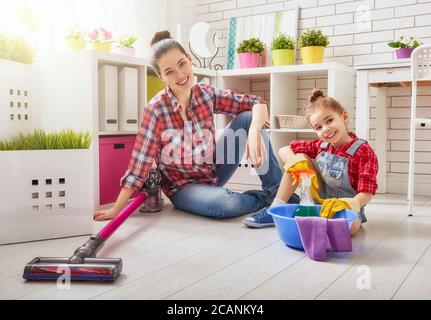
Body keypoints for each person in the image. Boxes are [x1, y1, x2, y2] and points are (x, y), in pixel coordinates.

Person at [94, 30, 298, 221]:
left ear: (190, 60)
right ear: (161, 76)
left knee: (247, 117)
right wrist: (115, 209)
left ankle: (279, 195)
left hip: (212, 171)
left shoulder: (206, 94)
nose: (180, 75)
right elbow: (139, 164)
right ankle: (268, 201)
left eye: (182, 64)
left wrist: (254, 131)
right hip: (183, 188)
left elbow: (257, 103)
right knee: (223, 203)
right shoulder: (155, 110)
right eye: (170, 72)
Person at [243, 89, 378, 235]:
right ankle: (275, 208)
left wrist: (348, 204)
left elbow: (367, 192)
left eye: (329, 120)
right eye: (318, 127)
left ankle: (319, 224)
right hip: (318, 201)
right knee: (298, 160)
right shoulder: (321, 146)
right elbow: (284, 150)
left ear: (344, 116)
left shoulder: (363, 152)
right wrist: (298, 165)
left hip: (347, 207)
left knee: (351, 226)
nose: (326, 129)